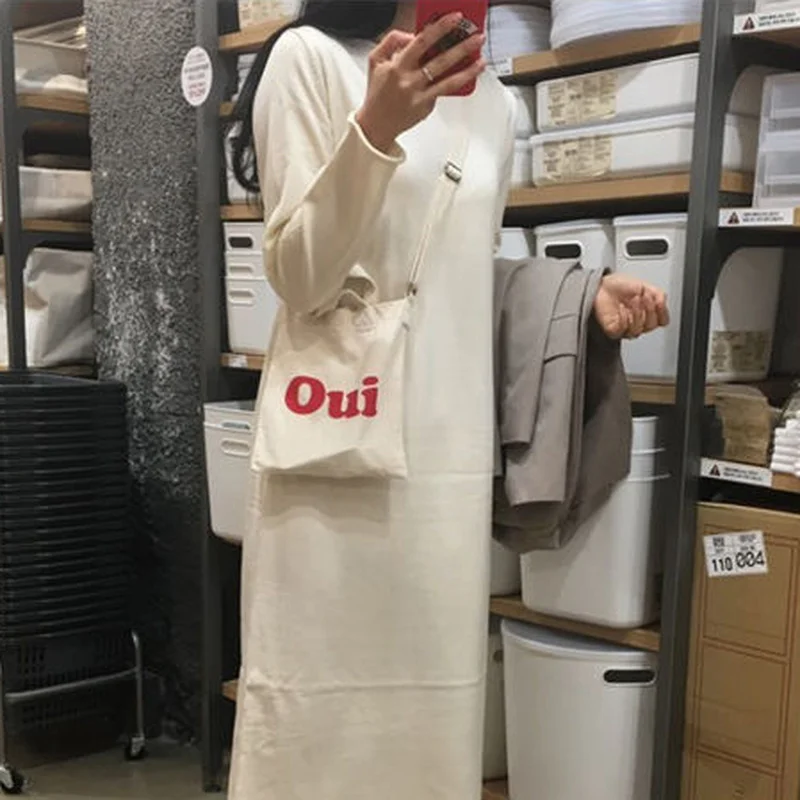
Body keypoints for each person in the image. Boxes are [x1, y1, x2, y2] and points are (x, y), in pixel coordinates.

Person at [227, 3, 668, 799]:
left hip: (447, 464)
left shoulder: (491, 101)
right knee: (313, 712)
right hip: (335, 453)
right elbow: (300, 277)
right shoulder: (310, 60)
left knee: (430, 725)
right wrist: (375, 130)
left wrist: (579, 297)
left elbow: (455, 274)